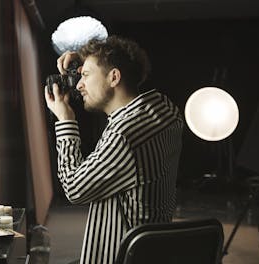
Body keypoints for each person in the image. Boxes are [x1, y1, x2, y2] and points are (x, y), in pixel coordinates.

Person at [44, 35, 183, 264]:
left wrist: (65, 119)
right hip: (155, 252)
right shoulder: (165, 109)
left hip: (120, 257)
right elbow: (118, 57)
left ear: (114, 77)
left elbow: (73, 189)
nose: (79, 85)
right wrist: (86, 60)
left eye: (85, 76)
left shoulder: (124, 137)